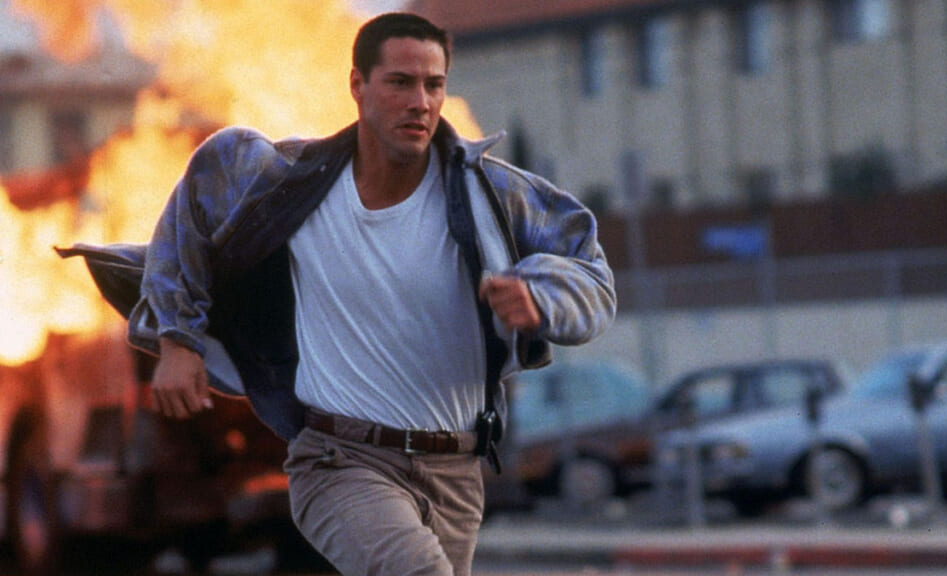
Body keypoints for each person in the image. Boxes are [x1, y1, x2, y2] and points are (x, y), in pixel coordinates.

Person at [64, 12, 615, 576]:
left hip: (456, 471)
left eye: (434, 85)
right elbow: (203, 188)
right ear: (358, 85)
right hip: (341, 461)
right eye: (400, 82)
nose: (420, 102)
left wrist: (544, 296)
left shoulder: (491, 193)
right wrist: (177, 337)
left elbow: (590, 271)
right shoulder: (295, 183)